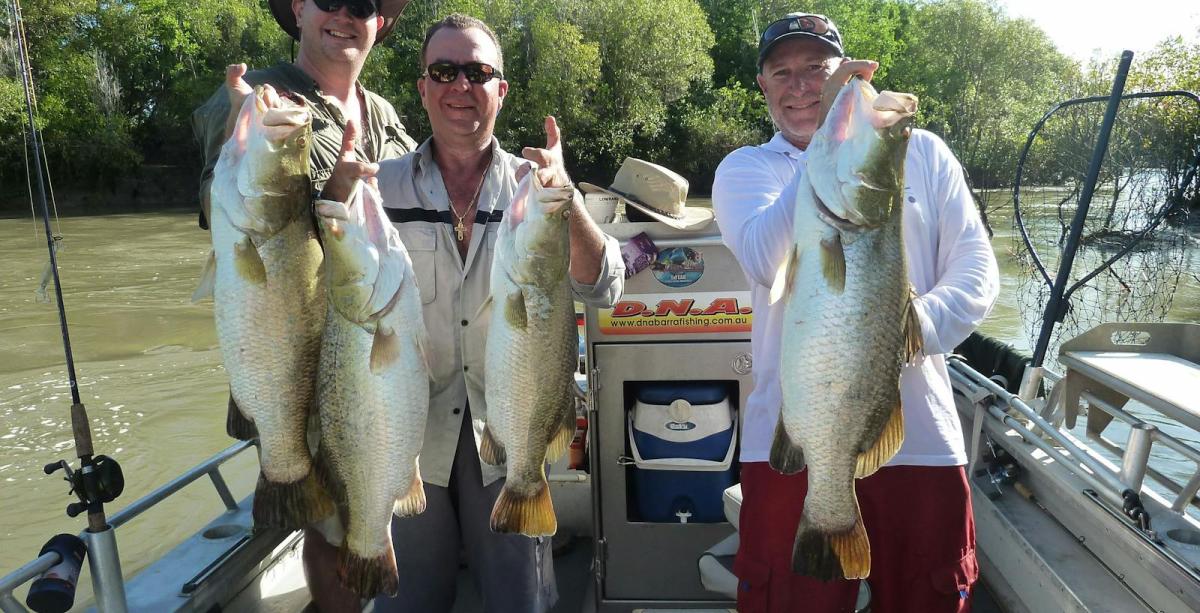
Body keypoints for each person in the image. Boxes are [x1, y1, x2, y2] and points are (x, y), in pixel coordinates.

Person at [320, 13, 625, 612]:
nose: (462, 86)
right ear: (424, 88)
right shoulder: (378, 190)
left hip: (512, 429)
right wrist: (333, 197)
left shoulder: (537, 186)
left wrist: (567, 202)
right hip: (409, 429)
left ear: (501, 90)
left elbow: (606, 285)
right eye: (445, 71)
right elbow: (319, 278)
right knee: (411, 601)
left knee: (520, 600)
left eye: (479, 72)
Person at [711, 12, 1000, 613]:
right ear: (762, 85)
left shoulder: (922, 152)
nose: (802, 86)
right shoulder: (745, 171)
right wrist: (829, 143)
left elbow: (977, 275)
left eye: (817, 69)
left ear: (847, 75)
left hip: (921, 441)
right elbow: (766, 259)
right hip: (791, 443)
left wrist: (903, 332)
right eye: (782, 72)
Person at [190, 1, 418, 610]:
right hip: (296, 356)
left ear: (382, 22)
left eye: (365, 4)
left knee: (376, 495)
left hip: (378, 338)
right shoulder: (257, 98)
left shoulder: (385, 114)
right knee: (335, 525)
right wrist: (236, 124)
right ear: (297, 7)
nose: (347, 14)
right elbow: (219, 206)